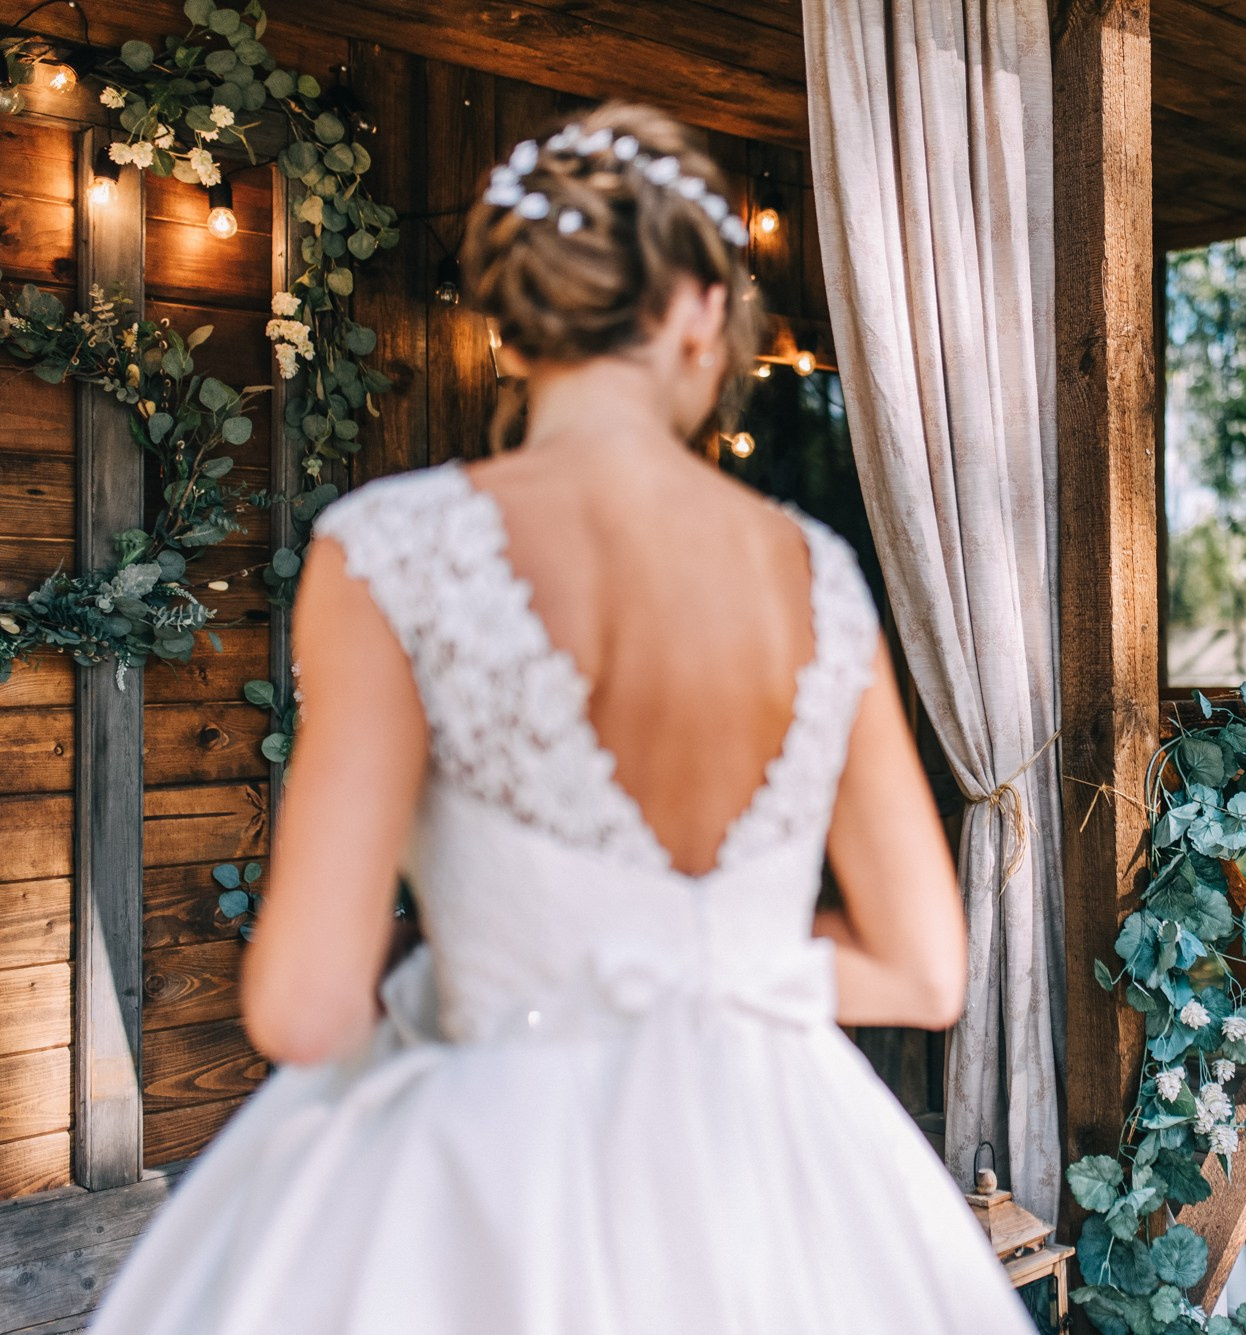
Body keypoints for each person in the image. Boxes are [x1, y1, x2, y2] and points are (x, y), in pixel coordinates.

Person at [90, 103, 1036, 1335]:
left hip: (482, 1163)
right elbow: (921, 969)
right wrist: (709, 970)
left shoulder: (392, 548)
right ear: (702, 308)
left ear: (517, 325)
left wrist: (511, 973)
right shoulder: (818, 577)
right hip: (782, 1174)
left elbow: (301, 1006)